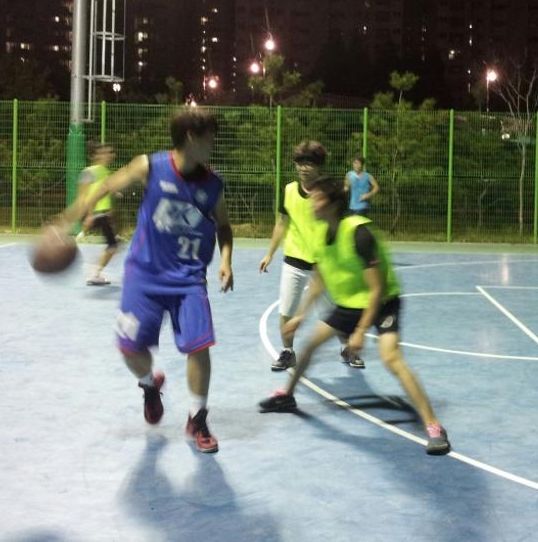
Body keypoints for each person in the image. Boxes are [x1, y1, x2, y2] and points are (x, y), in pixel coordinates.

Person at [59, 108, 233, 453]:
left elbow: (224, 226)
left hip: (189, 278)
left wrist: (226, 260)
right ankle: (149, 384)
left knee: (199, 347)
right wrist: (69, 218)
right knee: (130, 348)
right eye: (210, 136)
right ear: (192, 138)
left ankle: (197, 418)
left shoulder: (213, 184)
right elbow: (105, 185)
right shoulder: (150, 166)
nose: (214, 142)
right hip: (145, 275)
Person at [258, 176, 451, 456]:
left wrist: (360, 331)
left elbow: (376, 288)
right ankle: (287, 397)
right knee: (310, 345)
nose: (311, 203)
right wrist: (301, 315)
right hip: (351, 302)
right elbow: (320, 278)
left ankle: (434, 426)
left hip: (382, 301)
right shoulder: (321, 233)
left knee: (391, 358)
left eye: (317, 198)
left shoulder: (360, 233)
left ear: (333, 204)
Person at [259, 141, 365, 370]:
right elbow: (281, 223)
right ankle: (288, 352)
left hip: (323, 262)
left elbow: (341, 224)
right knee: (287, 310)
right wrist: (270, 254)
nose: (303, 168)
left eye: (309, 163)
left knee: (334, 311)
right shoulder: (288, 190)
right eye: (300, 162)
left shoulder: (327, 193)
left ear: (319, 166)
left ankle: (347, 348)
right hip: (294, 259)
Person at [79, 142, 119, 285]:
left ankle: (94, 271)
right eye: (103, 153)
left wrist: (110, 208)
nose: (108, 155)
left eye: (109, 152)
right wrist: (89, 214)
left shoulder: (106, 171)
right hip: (96, 214)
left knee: (113, 245)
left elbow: (105, 193)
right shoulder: (89, 172)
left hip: (102, 214)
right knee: (113, 246)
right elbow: (84, 196)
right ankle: (94, 273)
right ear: (95, 156)